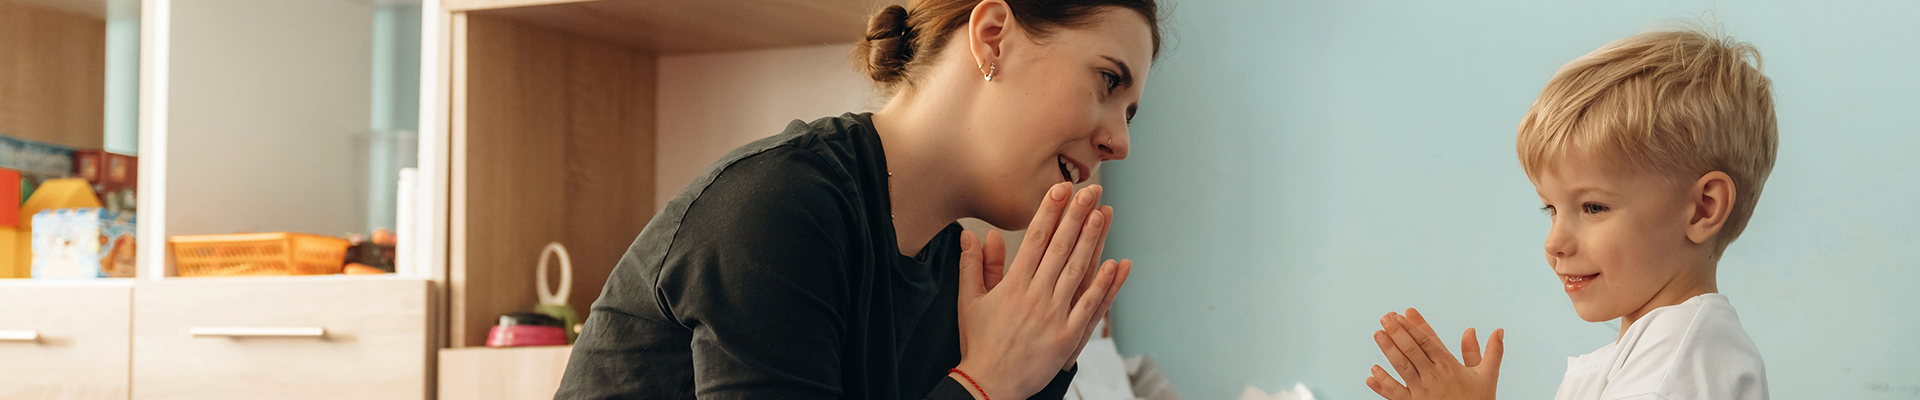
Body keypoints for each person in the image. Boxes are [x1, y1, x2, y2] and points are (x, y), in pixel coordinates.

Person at [552, 0, 1162, 398]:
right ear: (994, 36)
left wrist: (1038, 369)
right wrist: (987, 384)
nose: (1121, 142)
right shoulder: (780, 211)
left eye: (1130, 112)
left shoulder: (954, 271)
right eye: (1108, 81)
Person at [1363, 24, 1776, 400]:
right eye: (1550, 208)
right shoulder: (1665, 353)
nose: (1554, 243)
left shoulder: (1675, 368)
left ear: (1703, 208)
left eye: (1593, 207)